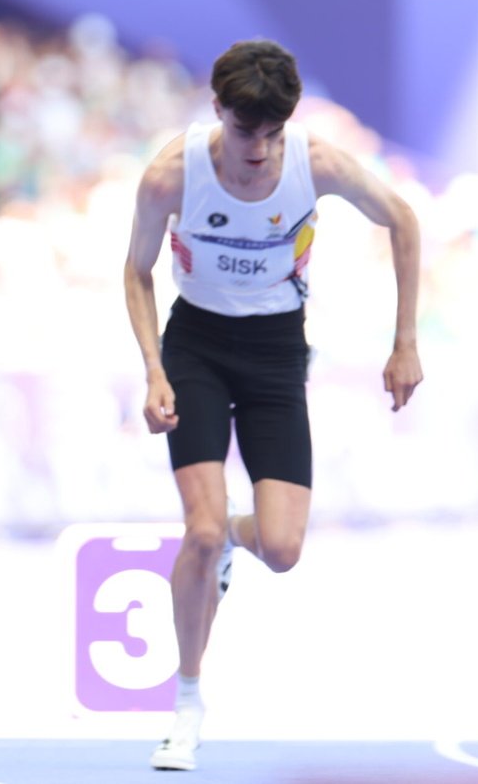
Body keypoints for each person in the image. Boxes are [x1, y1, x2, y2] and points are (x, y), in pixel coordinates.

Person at [123, 39, 422, 772]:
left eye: (273, 133)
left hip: (276, 354)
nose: (259, 150)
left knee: (284, 549)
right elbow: (135, 273)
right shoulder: (173, 172)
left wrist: (404, 341)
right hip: (195, 346)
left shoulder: (316, 164)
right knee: (198, 530)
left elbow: (404, 221)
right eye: (246, 131)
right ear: (219, 110)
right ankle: (187, 704)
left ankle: (224, 539)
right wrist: (154, 369)